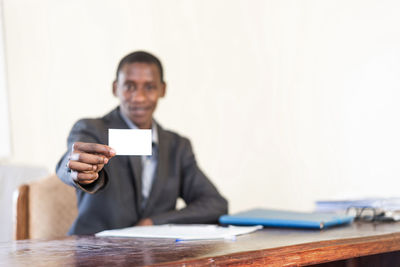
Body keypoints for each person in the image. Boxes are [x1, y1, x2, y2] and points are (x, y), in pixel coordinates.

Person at [56, 51, 228, 235]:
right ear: (116, 88)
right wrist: (78, 169)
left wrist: (154, 222)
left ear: (163, 90)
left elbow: (215, 204)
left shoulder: (177, 146)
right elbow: (68, 163)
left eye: (149, 87)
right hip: (94, 252)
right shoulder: (92, 129)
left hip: (153, 256)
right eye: (129, 86)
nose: (138, 97)